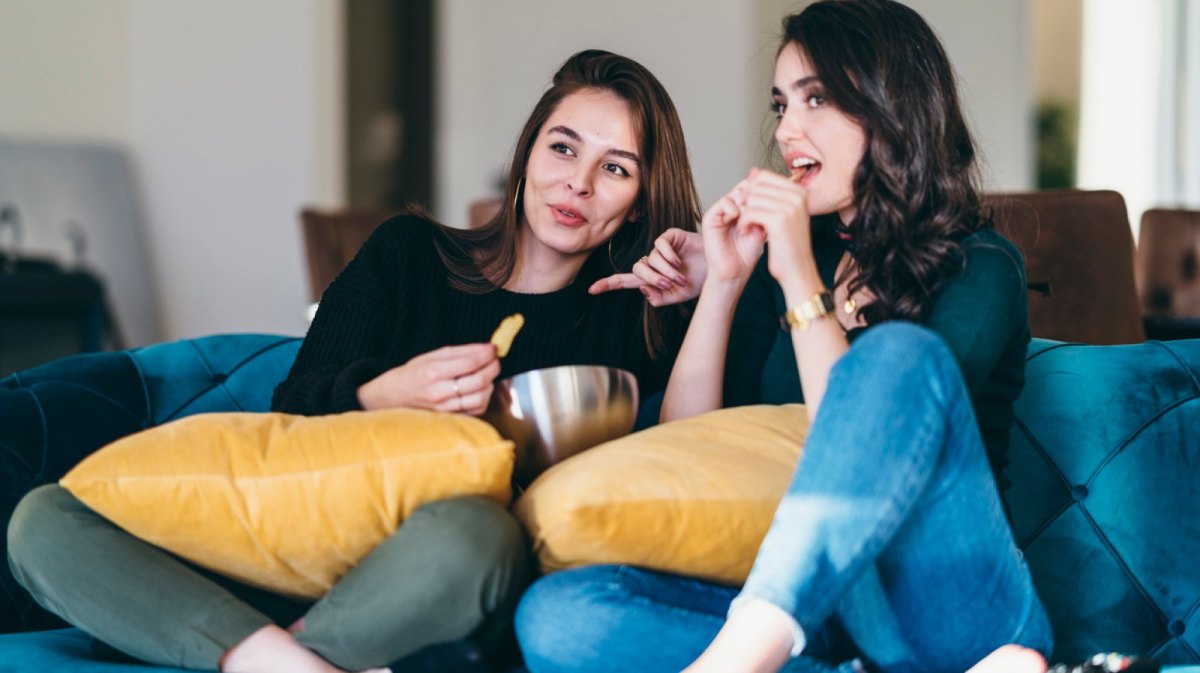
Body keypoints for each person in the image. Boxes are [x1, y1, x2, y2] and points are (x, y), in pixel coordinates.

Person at [7, 49, 701, 673]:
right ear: (527, 154)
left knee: (480, 535)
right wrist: (387, 392)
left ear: (639, 200)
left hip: (417, 579)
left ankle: (251, 652)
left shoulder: (633, 316)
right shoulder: (408, 254)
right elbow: (292, 410)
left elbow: (688, 454)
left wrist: (719, 286)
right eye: (562, 147)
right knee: (42, 520)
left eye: (615, 169)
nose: (576, 183)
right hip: (277, 545)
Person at [515, 2, 1054, 672]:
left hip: (946, 608)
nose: (787, 130)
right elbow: (692, 441)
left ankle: (752, 642)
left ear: (892, 108)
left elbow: (855, 444)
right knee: (558, 613)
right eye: (781, 104)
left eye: (817, 98)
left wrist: (798, 275)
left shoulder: (982, 267)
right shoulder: (787, 259)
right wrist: (726, 283)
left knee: (897, 355)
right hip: (822, 626)